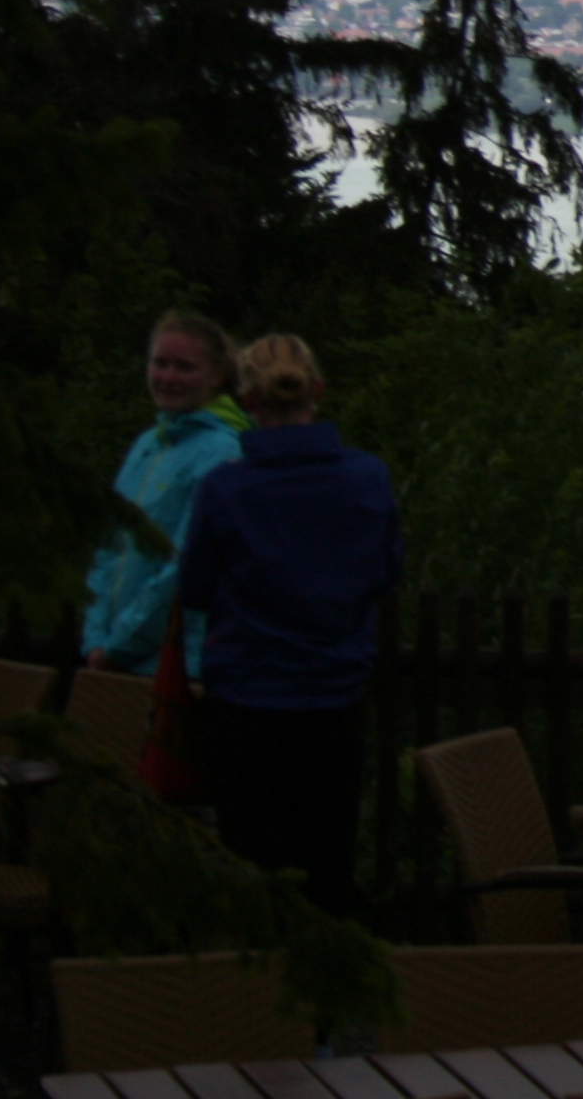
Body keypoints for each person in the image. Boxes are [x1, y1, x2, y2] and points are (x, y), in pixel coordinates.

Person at [179, 334, 403, 916]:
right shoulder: (367, 479)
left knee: (256, 873)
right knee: (328, 865)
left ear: (247, 399)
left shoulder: (226, 489)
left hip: (246, 704)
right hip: (334, 697)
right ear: (318, 392)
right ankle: (331, 997)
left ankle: (258, 1000)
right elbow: (387, 572)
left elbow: (195, 587)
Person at [81, 311, 251, 674]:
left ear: (217, 375)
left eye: (185, 367)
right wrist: (95, 636)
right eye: (160, 364)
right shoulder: (149, 446)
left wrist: (121, 645)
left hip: (173, 663)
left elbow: (184, 564)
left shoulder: (222, 453)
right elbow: (109, 547)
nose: (168, 378)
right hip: (113, 658)